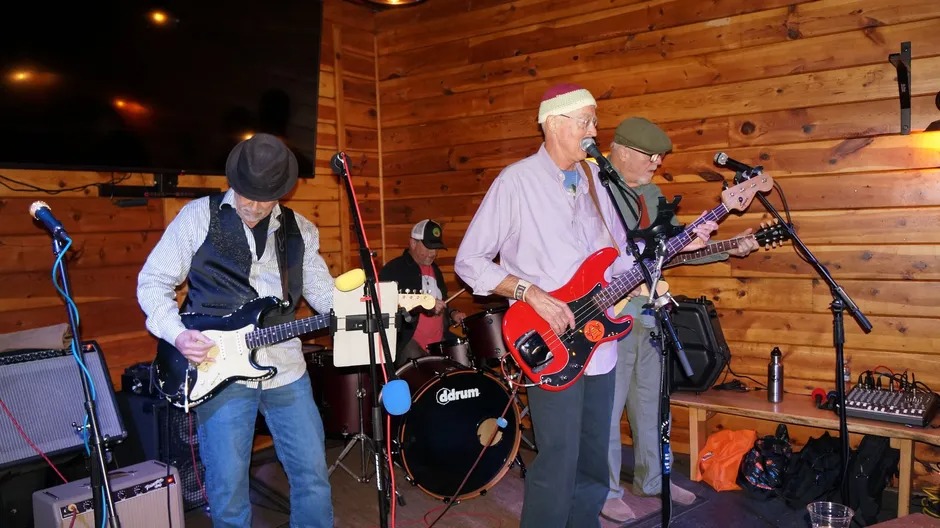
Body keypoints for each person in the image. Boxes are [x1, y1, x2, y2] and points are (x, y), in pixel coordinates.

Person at [455, 83, 717, 528]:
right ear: (555, 123)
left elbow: (616, 261)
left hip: (600, 346)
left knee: (595, 463)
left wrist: (674, 250)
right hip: (548, 339)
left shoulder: (597, 181)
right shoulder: (516, 182)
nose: (595, 130)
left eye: (595, 120)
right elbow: (469, 261)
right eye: (587, 121)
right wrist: (530, 292)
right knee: (558, 461)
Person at [137, 133, 334, 528]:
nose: (255, 206)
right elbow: (153, 281)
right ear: (234, 181)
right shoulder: (197, 216)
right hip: (217, 370)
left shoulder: (302, 231)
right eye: (247, 194)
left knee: (313, 478)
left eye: (265, 197)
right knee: (228, 492)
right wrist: (177, 333)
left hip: (286, 369)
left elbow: (325, 295)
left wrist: (363, 305)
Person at [599, 117, 760, 522]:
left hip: (649, 314)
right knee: (606, 409)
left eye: (659, 157)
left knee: (652, 404)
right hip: (605, 315)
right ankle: (603, 491)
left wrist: (724, 248)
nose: (656, 163)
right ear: (622, 151)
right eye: (649, 156)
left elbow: (674, 248)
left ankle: (652, 480)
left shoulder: (651, 194)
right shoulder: (593, 187)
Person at [379, 219, 467, 367]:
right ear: (413, 243)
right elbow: (384, 308)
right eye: (428, 247)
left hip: (438, 343)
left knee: (465, 354)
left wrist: (452, 314)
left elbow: (442, 302)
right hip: (408, 343)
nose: (433, 253)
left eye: (436, 248)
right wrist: (421, 306)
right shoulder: (393, 270)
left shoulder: (435, 270)